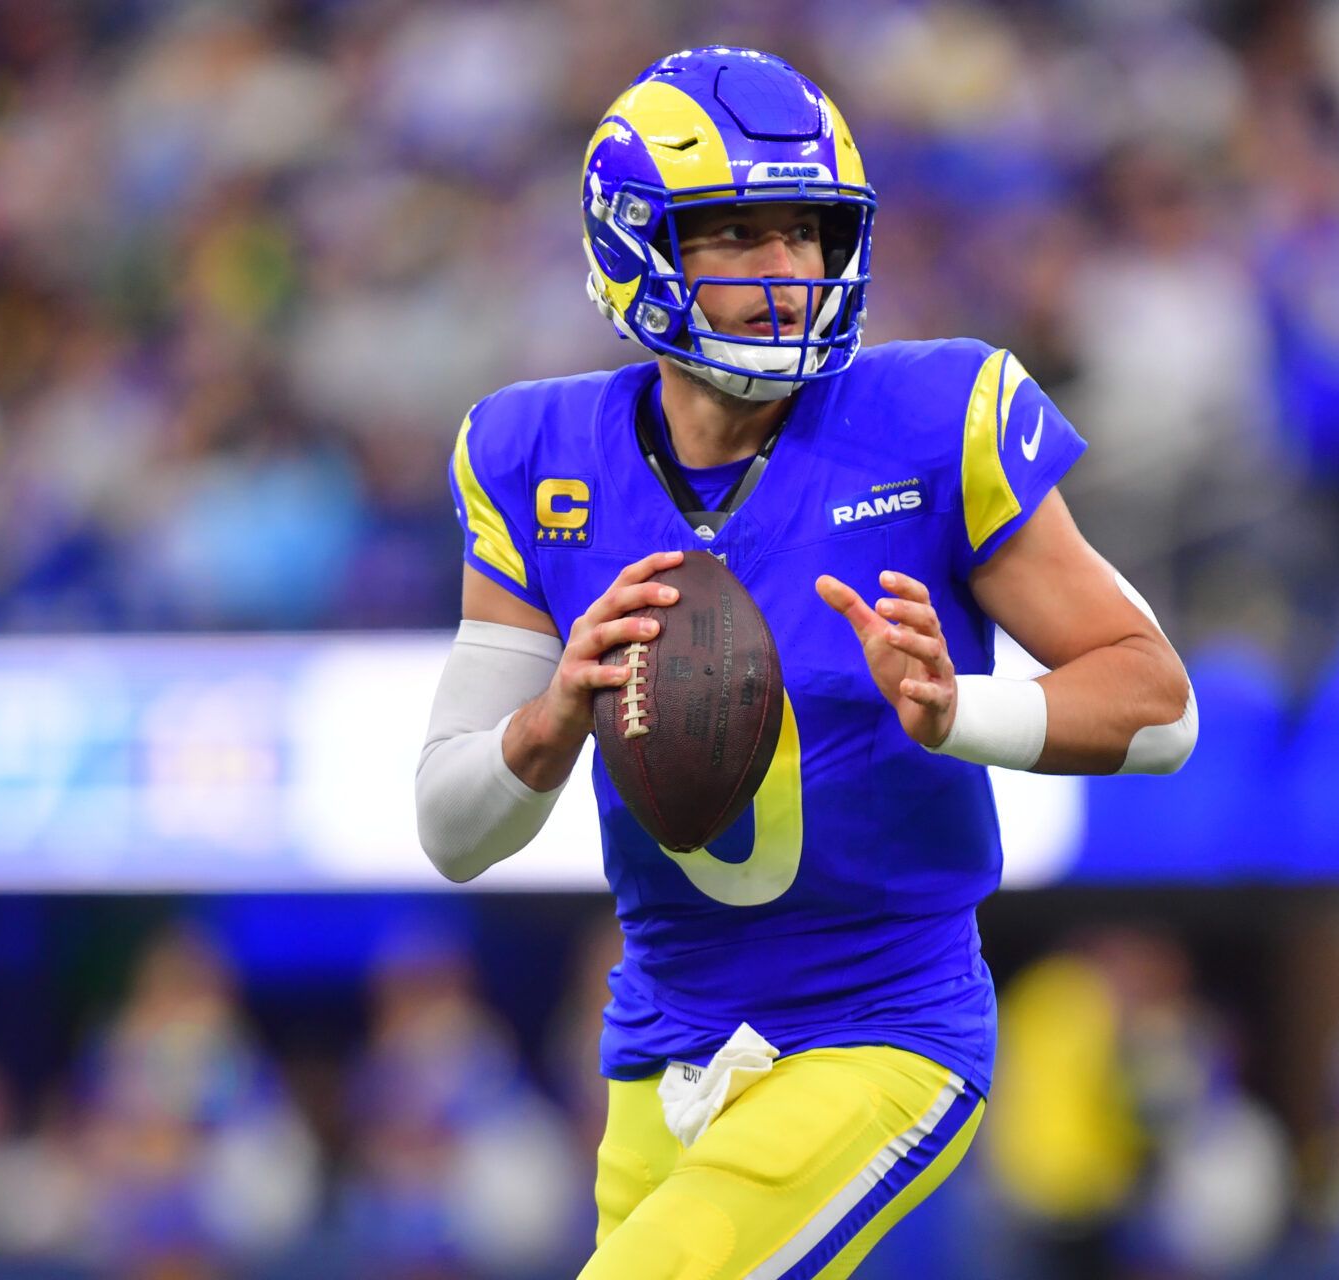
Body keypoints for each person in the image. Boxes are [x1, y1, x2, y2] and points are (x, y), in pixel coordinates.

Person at [414, 46, 1197, 1280]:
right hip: (657, 1039)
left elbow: (1159, 705)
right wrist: (552, 715)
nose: (787, 274)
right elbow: (453, 828)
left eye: (809, 233)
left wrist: (960, 713)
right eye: (738, 235)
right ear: (637, 244)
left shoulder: (937, 418)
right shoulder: (534, 454)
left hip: (877, 1026)